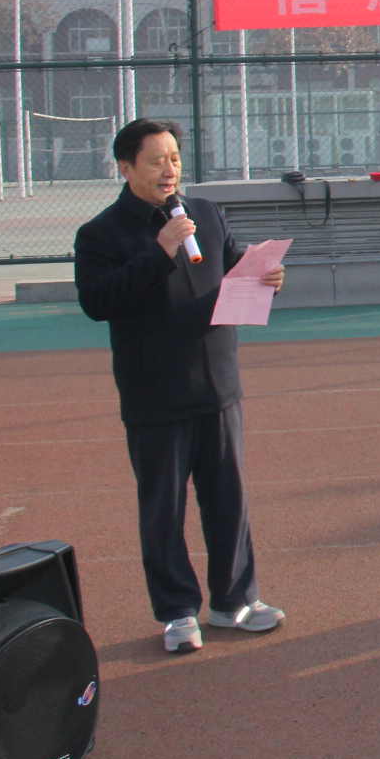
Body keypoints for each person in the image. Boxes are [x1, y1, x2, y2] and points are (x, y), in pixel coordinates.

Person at [74, 118, 286, 655]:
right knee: (163, 510)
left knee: (228, 500)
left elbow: (232, 268)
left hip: (218, 386)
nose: (169, 170)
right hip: (155, 394)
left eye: (174, 158)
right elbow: (97, 302)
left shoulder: (206, 213)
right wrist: (160, 250)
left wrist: (266, 277)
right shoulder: (101, 234)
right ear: (125, 169)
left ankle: (234, 601)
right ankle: (176, 612)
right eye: (156, 161)